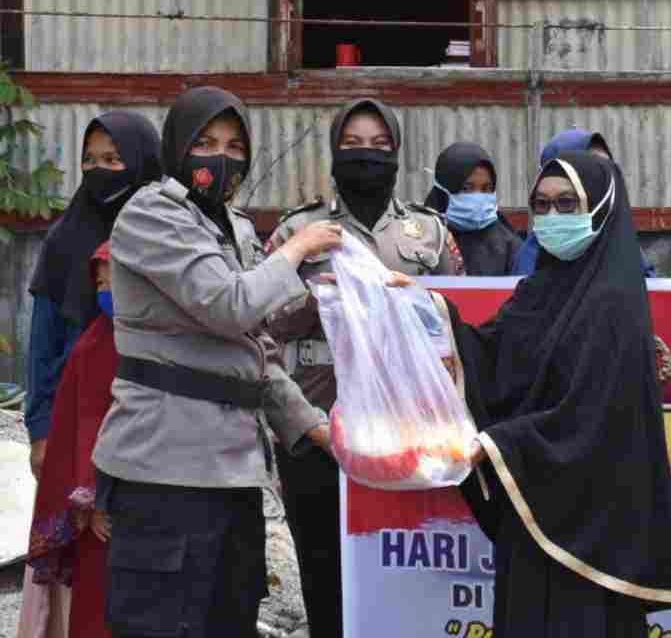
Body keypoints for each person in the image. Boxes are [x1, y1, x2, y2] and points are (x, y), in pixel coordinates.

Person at [92, 86, 340, 638]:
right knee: (164, 624)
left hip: (232, 472)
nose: (219, 159)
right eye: (204, 142)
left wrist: (315, 429)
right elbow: (229, 306)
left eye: (233, 146)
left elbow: (257, 352)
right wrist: (296, 250)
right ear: (177, 146)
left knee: (228, 620)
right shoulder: (152, 214)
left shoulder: (235, 226)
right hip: (165, 469)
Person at [442, 150, 671, 636]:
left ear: (601, 210)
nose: (551, 217)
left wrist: (499, 444)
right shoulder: (540, 289)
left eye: (567, 205)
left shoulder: (615, 303)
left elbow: (593, 415)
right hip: (533, 513)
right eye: (541, 205)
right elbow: (488, 355)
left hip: (594, 524)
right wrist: (423, 308)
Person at [264, 97, 459, 638]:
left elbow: (457, 322)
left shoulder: (429, 234)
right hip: (321, 431)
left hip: (411, 432)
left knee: (407, 570)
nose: (366, 157)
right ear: (333, 152)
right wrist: (314, 301)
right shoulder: (299, 231)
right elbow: (256, 325)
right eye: (353, 146)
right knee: (326, 575)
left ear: (396, 153)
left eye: (379, 146)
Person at [18, 111, 162, 638]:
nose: (100, 171)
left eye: (114, 160)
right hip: (75, 426)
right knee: (76, 567)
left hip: (150, 430)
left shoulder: (168, 238)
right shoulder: (65, 240)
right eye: (91, 161)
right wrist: (39, 431)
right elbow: (44, 346)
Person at [27, 242, 117, 638]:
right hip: (103, 514)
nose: (105, 293)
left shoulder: (161, 342)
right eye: (99, 285)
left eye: (113, 283)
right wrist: (91, 499)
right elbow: (82, 430)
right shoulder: (94, 345)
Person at [512, 128, 657, 277]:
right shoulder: (531, 262)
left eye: (608, 169)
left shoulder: (626, 248)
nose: (608, 180)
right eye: (595, 169)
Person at [424, 141, 522, 275]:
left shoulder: (510, 246)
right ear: (443, 190)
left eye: (486, 188)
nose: (478, 197)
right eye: (467, 188)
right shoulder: (422, 239)